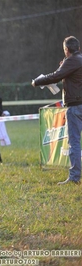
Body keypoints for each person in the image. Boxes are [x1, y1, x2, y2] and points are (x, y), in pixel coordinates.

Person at [32, 36, 82, 185]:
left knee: (74, 142)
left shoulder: (72, 61)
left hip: (76, 106)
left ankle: (74, 177)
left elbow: (55, 76)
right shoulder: (78, 60)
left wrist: (37, 81)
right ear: (78, 47)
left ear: (66, 49)